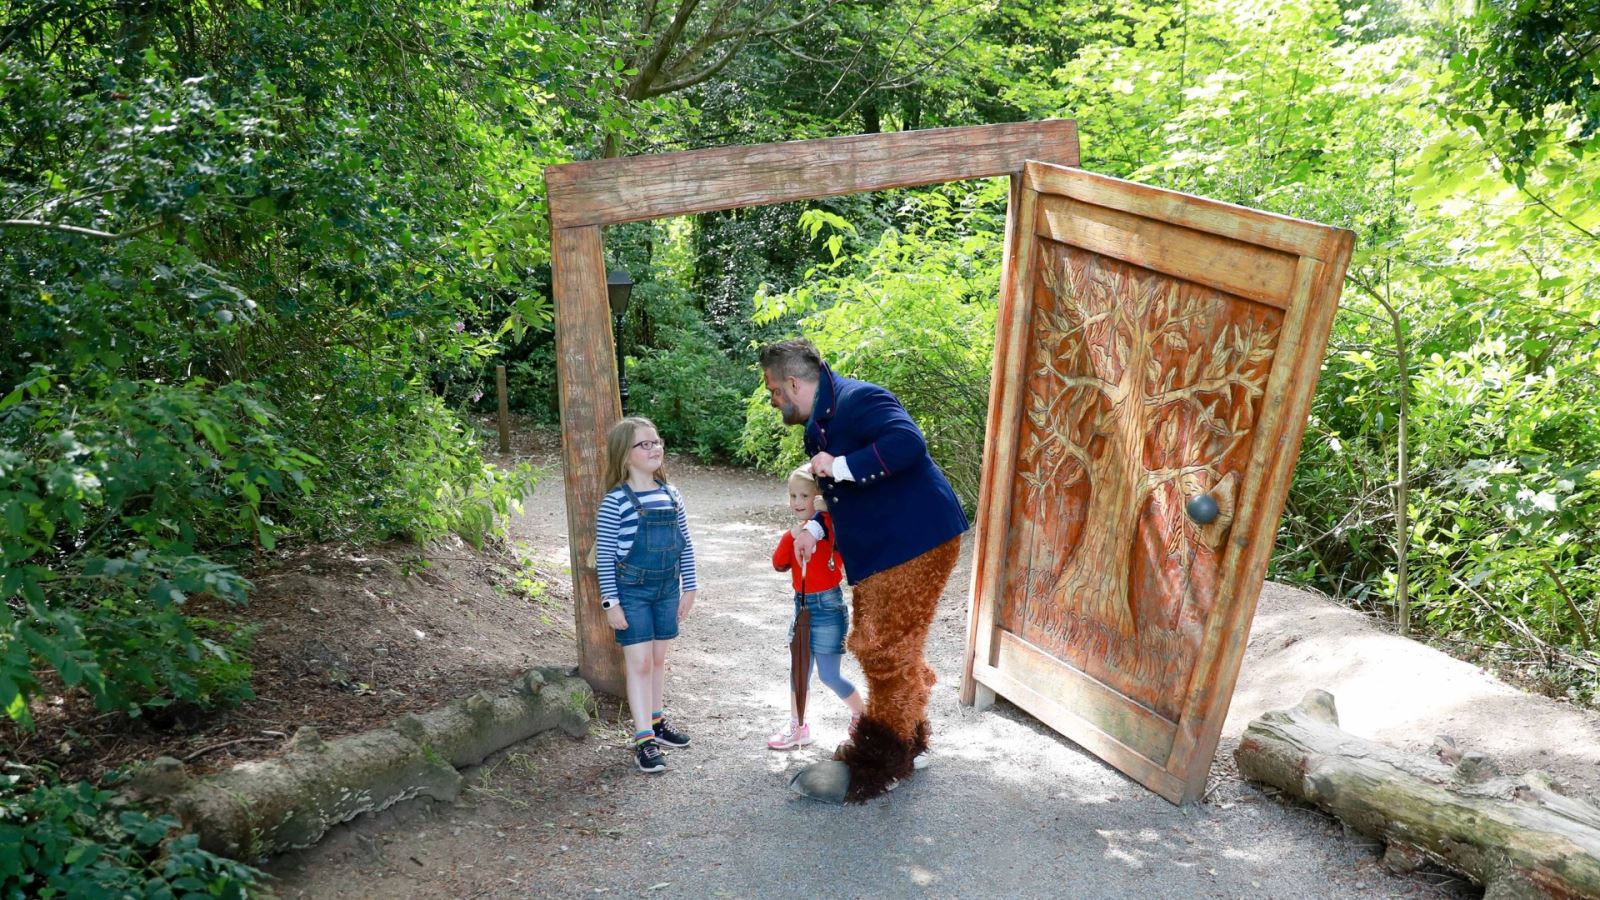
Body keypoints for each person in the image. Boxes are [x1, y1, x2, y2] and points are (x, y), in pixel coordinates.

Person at [760, 338, 968, 802]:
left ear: (793, 382)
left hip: (915, 538)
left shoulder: (860, 399)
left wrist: (842, 464)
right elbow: (837, 492)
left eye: (774, 389)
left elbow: (908, 443)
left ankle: (879, 761)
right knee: (893, 647)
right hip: (881, 549)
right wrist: (815, 526)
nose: (774, 399)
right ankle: (911, 744)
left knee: (880, 649)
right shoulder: (821, 419)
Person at [595, 416, 698, 774]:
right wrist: (611, 603)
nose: (655, 449)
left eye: (657, 442)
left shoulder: (671, 494)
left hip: (668, 589)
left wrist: (691, 587)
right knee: (637, 664)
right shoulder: (615, 502)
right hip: (633, 593)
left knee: (656, 661)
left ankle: (657, 723)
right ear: (625, 455)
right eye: (645, 444)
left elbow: (685, 545)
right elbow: (605, 556)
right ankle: (643, 741)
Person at [768, 465, 865, 751]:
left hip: (828, 607)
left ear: (818, 498)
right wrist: (791, 535)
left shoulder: (830, 527)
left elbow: (830, 523)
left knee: (829, 674)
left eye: (804, 496)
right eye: (793, 496)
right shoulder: (795, 533)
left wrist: (814, 525)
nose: (797, 502)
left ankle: (863, 716)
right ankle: (798, 727)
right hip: (801, 607)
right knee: (799, 670)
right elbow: (778, 563)